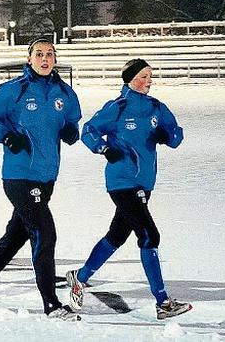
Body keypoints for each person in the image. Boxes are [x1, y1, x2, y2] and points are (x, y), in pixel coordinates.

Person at [0, 38, 82, 320]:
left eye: (50, 54)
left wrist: (70, 131)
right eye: (39, 54)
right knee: (44, 231)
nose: (45, 59)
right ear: (29, 59)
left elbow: (72, 121)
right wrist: (6, 136)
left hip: (46, 177)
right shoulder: (14, 91)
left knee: (16, 235)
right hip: (18, 175)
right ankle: (51, 304)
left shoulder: (64, 93)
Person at [66, 58, 191, 320]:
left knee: (117, 235)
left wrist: (167, 136)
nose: (148, 81)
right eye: (143, 76)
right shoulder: (118, 108)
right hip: (121, 181)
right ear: (129, 79)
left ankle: (80, 277)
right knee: (149, 236)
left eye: (150, 76)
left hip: (145, 182)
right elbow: (89, 130)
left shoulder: (157, 107)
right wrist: (104, 148)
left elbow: (177, 135)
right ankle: (163, 302)